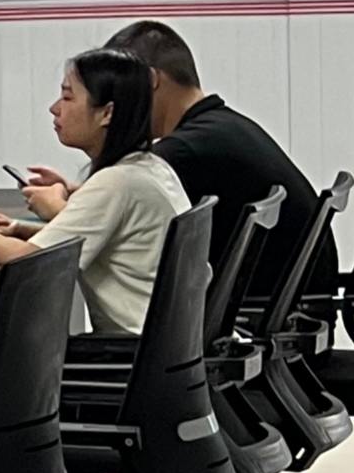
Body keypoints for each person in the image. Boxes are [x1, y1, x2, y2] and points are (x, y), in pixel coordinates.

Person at [104, 18, 334, 301]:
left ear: (151, 80)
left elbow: (108, 208)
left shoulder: (185, 151)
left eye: (120, 92)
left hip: (259, 311)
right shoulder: (221, 129)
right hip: (294, 309)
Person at [0, 47, 188, 336]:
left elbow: (29, 261)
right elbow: (78, 239)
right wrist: (18, 228)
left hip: (134, 349)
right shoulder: (153, 167)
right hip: (171, 342)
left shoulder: (116, 183)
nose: (55, 108)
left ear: (107, 113)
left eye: (67, 97)